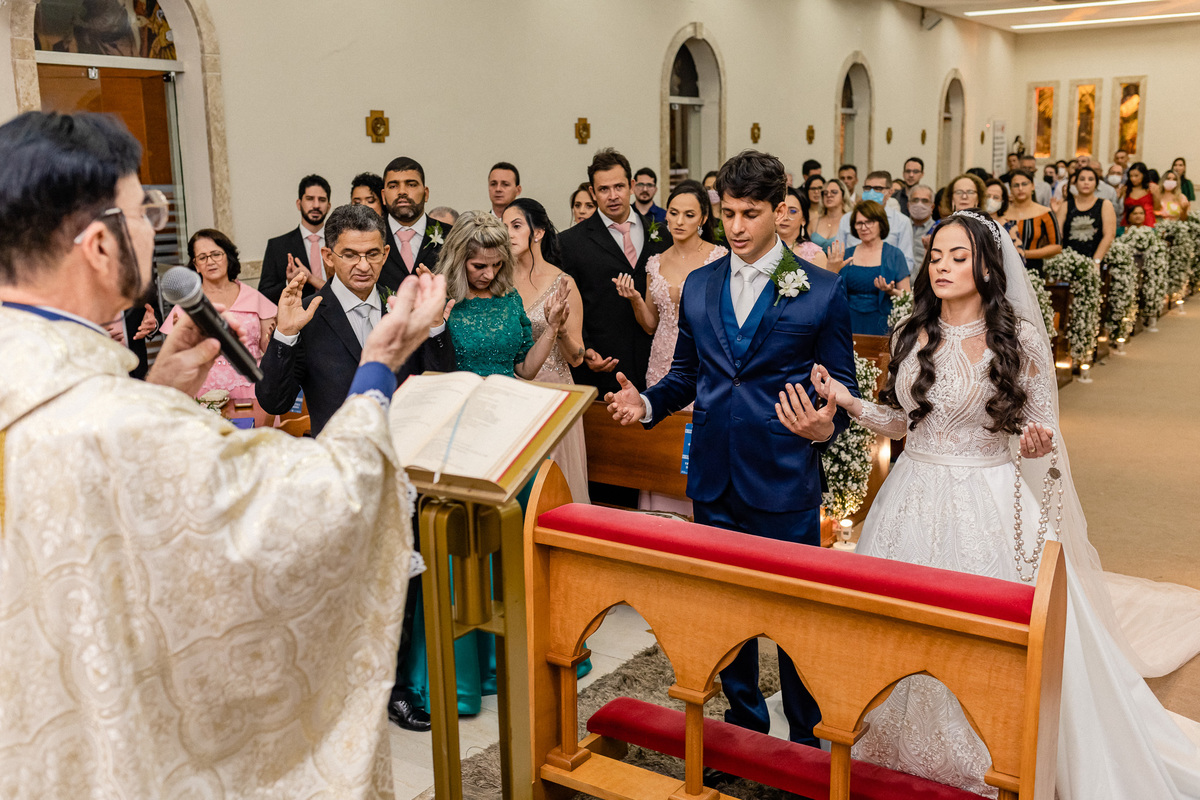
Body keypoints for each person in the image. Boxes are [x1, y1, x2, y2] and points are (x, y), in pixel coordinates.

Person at [0, 110, 450, 798]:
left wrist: (156, 391)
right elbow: (322, 503)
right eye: (144, 212)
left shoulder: (48, 384)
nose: (155, 229)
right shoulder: (115, 420)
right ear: (99, 245)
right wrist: (380, 366)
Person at [807, 210, 1200, 799]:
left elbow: (1040, 425)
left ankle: (989, 755)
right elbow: (905, 423)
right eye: (936, 255)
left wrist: (1035, 440)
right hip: (909, 496)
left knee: (984, 633)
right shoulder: (911, 330)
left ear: (987, 267)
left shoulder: (1016, 340)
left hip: (984, 499)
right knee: (898, 623)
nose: (941, 266)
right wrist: (848, 401)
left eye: (958, 257)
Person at [605, 149, 860, 751]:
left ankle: (804, 742)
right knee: (725, 614)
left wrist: (823, 428)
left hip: (784, 477)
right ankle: (745, 728)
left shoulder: (822, 291)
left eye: (751, 213)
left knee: (795, 618)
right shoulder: (699, 284)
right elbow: (687, 374)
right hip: (714, 477)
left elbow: (842, 388)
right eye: (729, 214)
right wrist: (647, 404)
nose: (738, 227)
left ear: (780, 209)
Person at [432, 212, 570, 713]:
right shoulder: (444, 304)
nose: (487, 274)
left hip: (509, 427)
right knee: (472, 541)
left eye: (495, 265)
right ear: (459, 260)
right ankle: (474, 659)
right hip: (463, 430)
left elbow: (524, 369)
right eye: (478, 266)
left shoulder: (510, 299)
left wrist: (552, 329)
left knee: (516, 535)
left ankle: (514, 649)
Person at [256, 203, 455, 435]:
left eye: (372, 254)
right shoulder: (306, 315)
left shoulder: (404, 306)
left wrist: (435, 325)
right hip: (337, 450)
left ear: (385, 254)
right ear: (328, 256)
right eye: (350, 255)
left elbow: (440, 387)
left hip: (401, 445)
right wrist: (285, 334)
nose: (363, 266)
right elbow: (274, 402)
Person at [558, 147, 670, 397]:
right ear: (592, 192)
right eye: (603, 189)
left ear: (631, 186)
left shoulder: (660, 234)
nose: (612, 196)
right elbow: (567, 303)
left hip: (655, 364)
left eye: (619, 186)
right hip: (603, 367)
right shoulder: (570, 242)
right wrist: (585, 348)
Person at [504, 197, 589, 503]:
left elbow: (577, 358)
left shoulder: (563, 283)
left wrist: (560, 329)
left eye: (516, 226)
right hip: (513, 396)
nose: (508, 234)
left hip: (554, 397)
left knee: (554, 493)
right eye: (504, 227)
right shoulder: (499, 283)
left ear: (537, 232)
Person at [161, 229, 276, 400]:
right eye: (202, 257)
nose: (210, 262)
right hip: (204, 393)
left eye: (216, 254)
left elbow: (272, 351)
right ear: (196, 265)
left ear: (228, 257)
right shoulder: (188, 304)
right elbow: (174, 360)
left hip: (251, 389)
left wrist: (278, 336)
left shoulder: (254, 298)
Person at [827, 200, 910, 335]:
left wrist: (891, 291)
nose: (864, 227)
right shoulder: (846, 255)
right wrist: (830, 269)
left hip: (882, 325)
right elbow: (830, 292)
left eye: (869, 222)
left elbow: (907, 298)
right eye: (859, 223)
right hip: (847, 323)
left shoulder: (895, 255)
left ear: (881, 223)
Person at [258, 174, 331, 304]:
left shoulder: (339, 243)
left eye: (322, 200)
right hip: (297, 314)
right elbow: (263, 296)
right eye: (310, 199)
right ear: (299, 204)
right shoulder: (277, 246)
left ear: (329, 206)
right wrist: (288, 282)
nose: (316, 205)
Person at [379, 156, 449, 291]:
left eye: (411, 184)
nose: (402, 192)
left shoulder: (451, 236)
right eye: (393, 186)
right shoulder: (370, 237)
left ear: (426, 193)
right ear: (383, 195)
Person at [836, 170, 915, 273]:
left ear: (890, 192)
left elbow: (907, 261)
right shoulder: (847, 218)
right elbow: (838, 255)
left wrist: (891, 277)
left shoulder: (902, 221)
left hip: (888, 277)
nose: (871, 193)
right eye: (868, 188)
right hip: (852, 274)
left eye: (878, 189)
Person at [1057, 166, 1117, 263]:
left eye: (1090, 179)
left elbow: (1109, 235)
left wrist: (1096, 261)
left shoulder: (1104, 204)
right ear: (1075, 183)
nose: (1086, 182)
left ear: (1096, 184)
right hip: (1069, 261)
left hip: (1096, 259)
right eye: (1082, 179)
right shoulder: (1066, 206)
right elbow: (1058, 235)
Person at [1008, 169, 1062, 274]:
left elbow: (1057, 247)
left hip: (1034, 269)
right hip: (1006, 268)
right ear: (1010, 189)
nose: (1020, 188)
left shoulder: (1045, 213)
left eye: (1024, 184)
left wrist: (1025, 253)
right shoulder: (1002, 214)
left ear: (1032, 186)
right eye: (1016, 185)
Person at [809, 177, 850, 255]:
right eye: (825, 193)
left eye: (834, 192)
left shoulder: (849, 220)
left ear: (843, 195)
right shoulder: (814, 222)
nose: (829, 195)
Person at [907, 183, 936, 273]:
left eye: (925, 201)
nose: (919, 204)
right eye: (915, 200)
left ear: (932, 207)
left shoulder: (937, 230)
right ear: (908, 205)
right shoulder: (901, 226)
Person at [1122, 161, 1156, 227]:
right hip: (1129, 223)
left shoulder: (1151, 188)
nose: (1133, 179)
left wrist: (1155, 194)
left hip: (1147, 222)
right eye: (1131, 176)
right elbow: (1123, 208)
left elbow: (1157, 207)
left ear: (1143, 175)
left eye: (1136, 176)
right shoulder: (1126, 189)